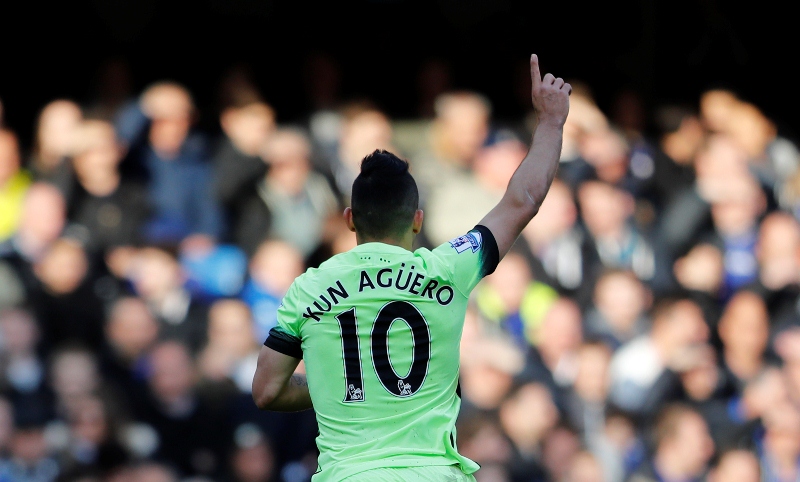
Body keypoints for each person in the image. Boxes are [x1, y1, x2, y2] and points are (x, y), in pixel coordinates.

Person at [251, 54, 571, 481]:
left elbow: (267, 390)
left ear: (350, 218)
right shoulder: (450, 269)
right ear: (417, 219)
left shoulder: (309, 288)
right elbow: (522, 201)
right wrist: (551, 122)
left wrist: (338, 381)